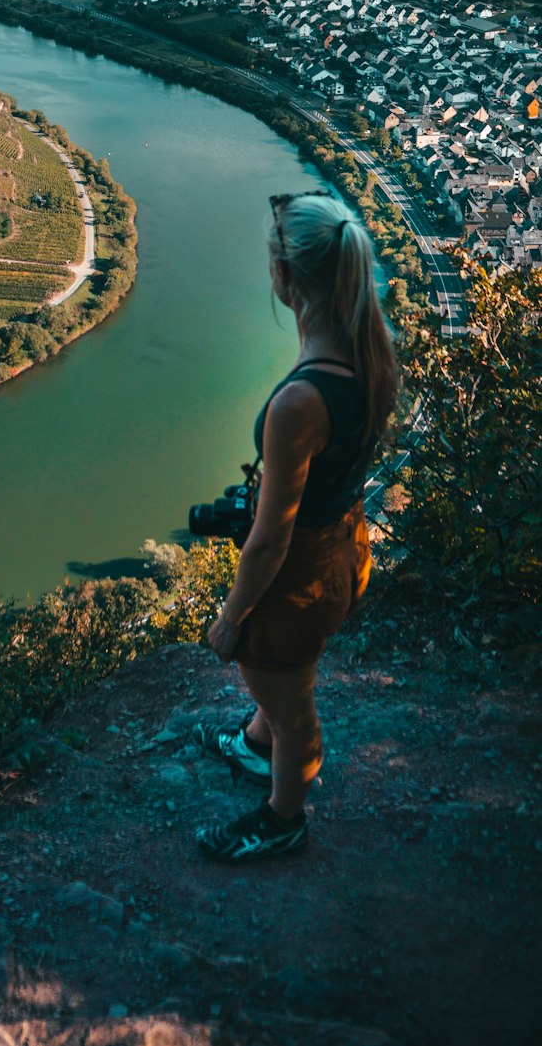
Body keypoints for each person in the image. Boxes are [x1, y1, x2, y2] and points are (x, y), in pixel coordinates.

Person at [194, 189, 397, 863]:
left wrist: (231, 617)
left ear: (285, 277)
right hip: (347, 547)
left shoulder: (299, 401)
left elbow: (273, 536)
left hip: (299, 575)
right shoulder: (375, 355)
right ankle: (256, 745)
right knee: (281, 684)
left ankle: (285, 816)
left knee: (292, 703)